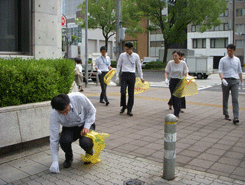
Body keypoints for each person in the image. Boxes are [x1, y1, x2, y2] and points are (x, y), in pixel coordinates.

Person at [49, 93, 96, 173]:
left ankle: (89, 152)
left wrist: (86, 126)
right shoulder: (54, 114)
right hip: (69, 128)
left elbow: (92, 111)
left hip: (85, 124)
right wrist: (55, 161)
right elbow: (54, 137)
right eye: (61, 112)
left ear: (69, 103)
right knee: (63, 141)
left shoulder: (78, 98)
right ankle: (69, 157)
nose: (64, 113)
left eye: (66, 111)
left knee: (85, 142)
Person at [115, 42, 145, 116]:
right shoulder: (122, 55)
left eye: (127, 49)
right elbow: (118, 65)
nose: (126, 51)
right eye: (125, 49)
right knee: (123, 91)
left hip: (132, 75)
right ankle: (123, 106)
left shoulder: (136, 56)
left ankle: (129, 109)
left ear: (131, 48)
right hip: (124, 74)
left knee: (131, 93)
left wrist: (141, 77)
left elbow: (139, 67)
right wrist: (117, 75)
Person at [218, 44, 243, 125]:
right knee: (225, 98)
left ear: (234, 50)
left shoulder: (237, 60)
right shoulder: (223, 60)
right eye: (228, 50)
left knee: (235, 99)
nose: (229, 52)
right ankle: (226, 113)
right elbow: (220, 70)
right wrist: (222, 79)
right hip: (226, 80)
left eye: (231, 50)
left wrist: (241, 81)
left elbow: (239, 71)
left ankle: (236, 117)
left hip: (235, 80)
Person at [165, 51, 189, 120]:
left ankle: (176, 114)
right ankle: (173, 107)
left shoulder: (183, 63)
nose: (174, 57)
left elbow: (186, 72)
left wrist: (187, 77)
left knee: (178, 99)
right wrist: (166, 79)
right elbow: (167, 72)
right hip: (172, 81)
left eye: (176, 56)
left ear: (179, 56)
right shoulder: (170, 63)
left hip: (180, 82)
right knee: (173, 97)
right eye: (173, 56)